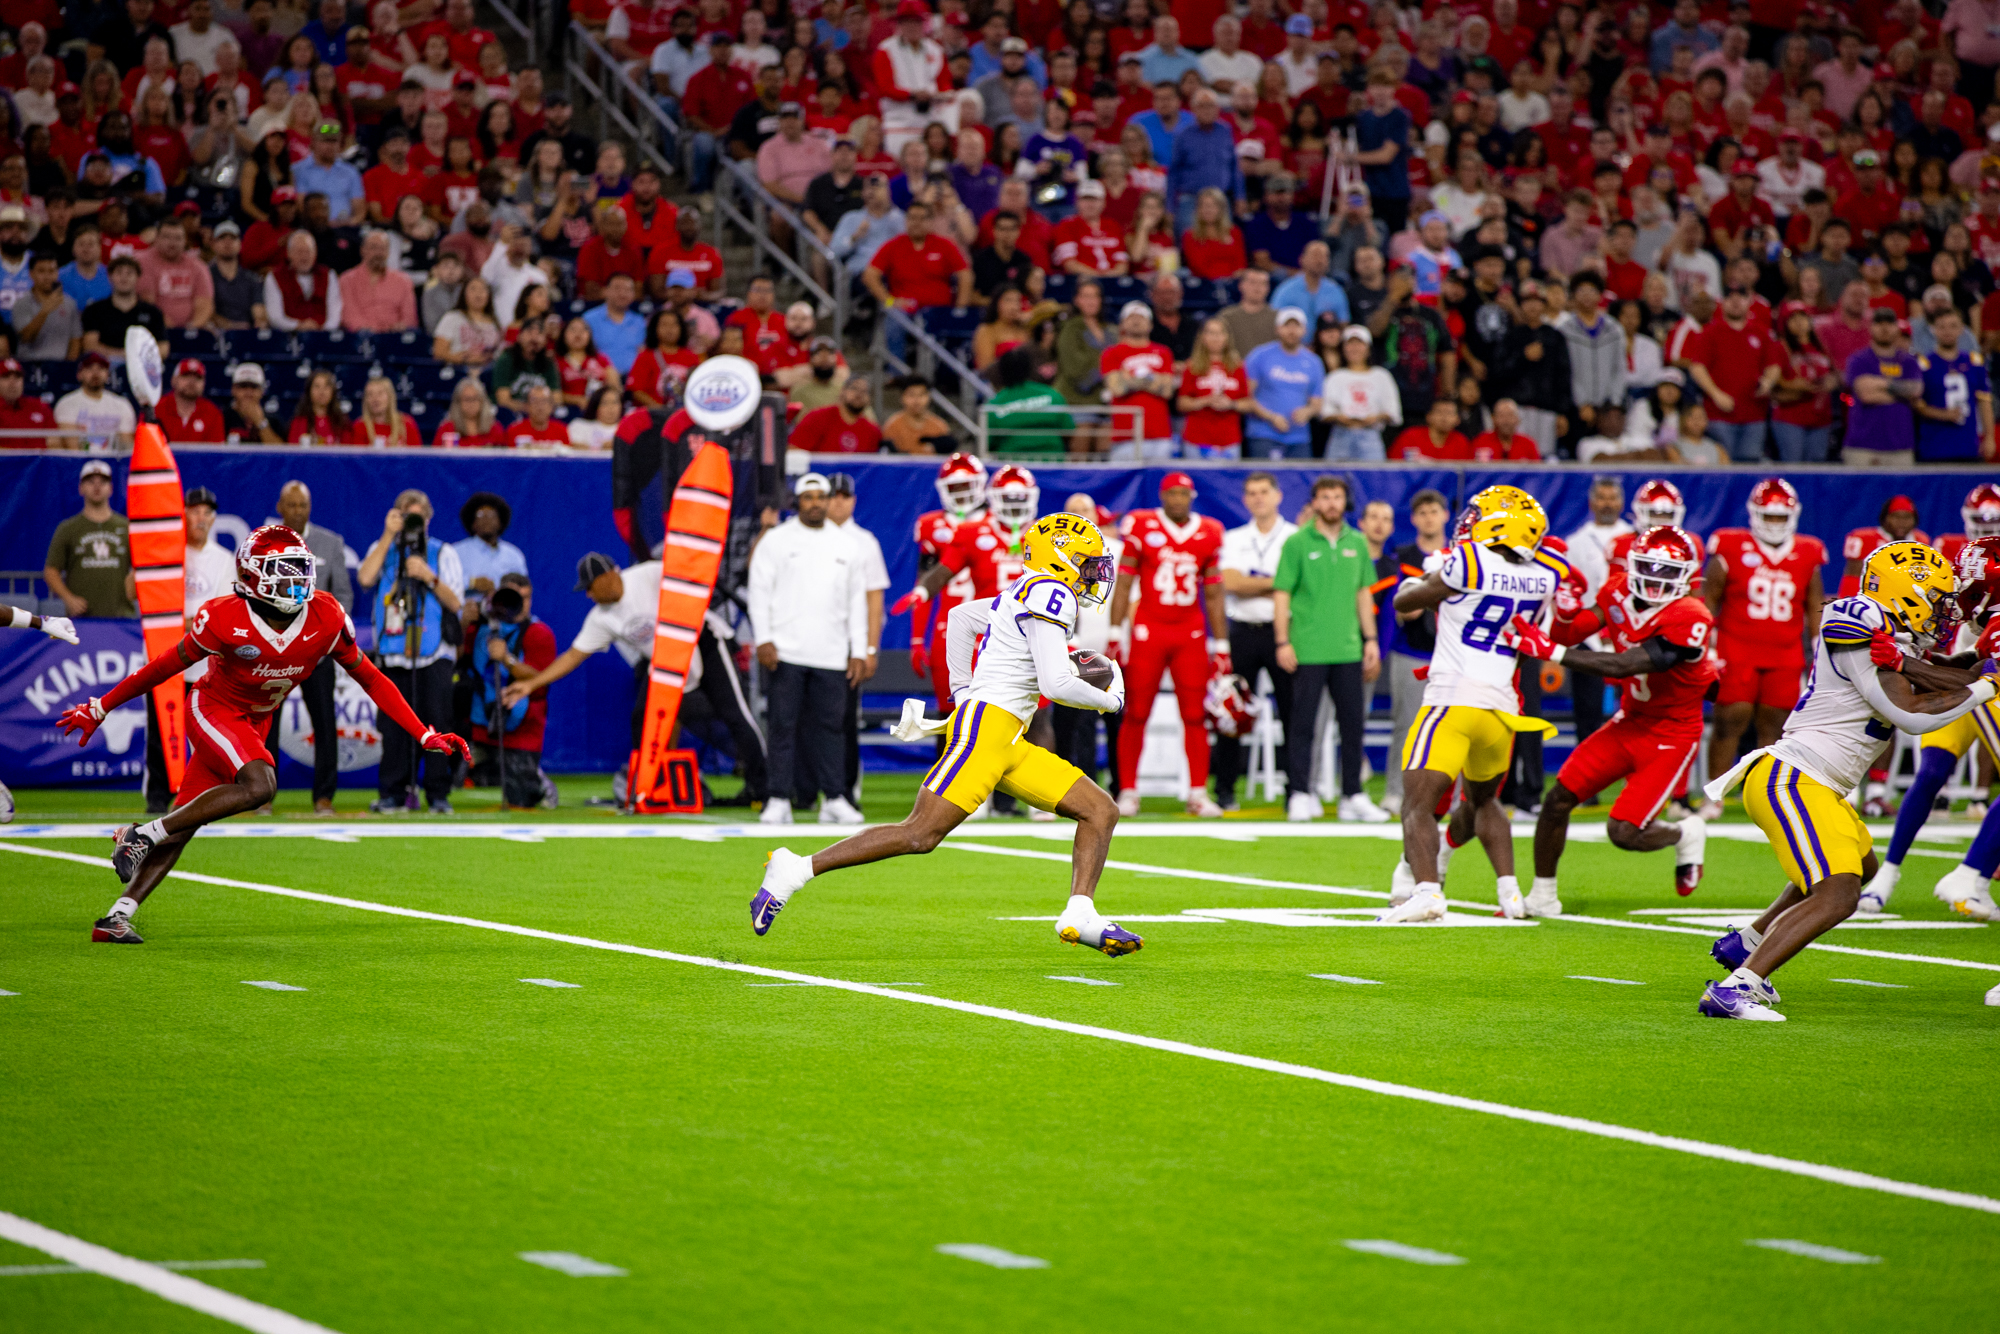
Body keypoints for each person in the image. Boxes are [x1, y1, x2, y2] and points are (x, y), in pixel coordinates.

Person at [750, 510, 1136, 958]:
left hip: (1009, 737)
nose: (1093, 575)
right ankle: (794, 868)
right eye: (1087, 564)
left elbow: (961, 617)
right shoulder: (1051, 593)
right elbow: (1056, 684)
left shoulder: (1029, 588)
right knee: (920, 834)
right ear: (1061, 559)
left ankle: (1080, 912)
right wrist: (1111, 701)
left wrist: (962, 691)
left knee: (1099, 811)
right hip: (988, 731)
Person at [60, 524, 468, 942]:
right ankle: (142, 834)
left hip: (254, 721)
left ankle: (116, 916)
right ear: (253, 575)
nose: (297, 579)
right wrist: (102, 706)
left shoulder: (326, 616)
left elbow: (372, 679)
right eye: (284, 569)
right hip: (213, 709)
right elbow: (164, 666)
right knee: (261, 785)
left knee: (182, 823)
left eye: (301, 568)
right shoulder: (224, 616)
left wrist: (423, 734)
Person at [1696, 543, 1997, 1020]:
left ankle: (1748, 943)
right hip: (1795, 777)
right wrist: (1987, 684)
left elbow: (1937, 673)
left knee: (1863, 866)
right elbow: (1910, 713)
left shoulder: (1894, 637)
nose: (1945, 610)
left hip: (1818, 783)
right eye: (1937, 599)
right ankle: (1736, 990)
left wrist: (1976, 666)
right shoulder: (1857, 616)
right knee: (1838, 893)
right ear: (1907, 592)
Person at [1508, 524, 1718, 916]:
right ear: (1633, 565)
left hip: (1672, 732)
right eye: (1649, 567)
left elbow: (1624, 665)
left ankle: (1685, 832)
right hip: (1630, 720)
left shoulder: (1691, 616)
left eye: (1668, 571)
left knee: (1624, 832)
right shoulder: (1618, 590)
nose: (1656, 579)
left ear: (1688, 577)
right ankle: (1543, 894)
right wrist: (1564, 612)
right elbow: (1571, 633)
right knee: (1557, 799)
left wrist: (1551, 651)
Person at [1379, 487, 1565, 920]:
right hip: (1501, 710)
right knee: (1484, 801)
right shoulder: (1546, 575)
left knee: (1416, 806)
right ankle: (1510, 893)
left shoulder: (1467, 561)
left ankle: (1427, 891)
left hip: (1452, 702)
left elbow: (1406, 602)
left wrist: (1421, 579)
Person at [746, 472, 870, 826]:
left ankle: (834, 798)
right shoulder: (776, 541)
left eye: (821, 497)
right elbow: (759, 592)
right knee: (782, 727)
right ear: (797, 502)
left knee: (832, 729)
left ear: (828, 501)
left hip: (833, 654)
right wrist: (763, 639)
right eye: (808, 497)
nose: (815, 503)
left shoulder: (848, 545)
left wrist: (859, 650)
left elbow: (857, 602)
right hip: (785, 652)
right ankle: (778, 799)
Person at [1702, 478, 1826, 818]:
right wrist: (1706, 644)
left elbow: (1813, 605)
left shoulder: (1808, 551)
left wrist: (1819, 647)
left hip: (1785, 652)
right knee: (1730, 720)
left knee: (1776, 727)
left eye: (1779, 517)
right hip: (1736, 648)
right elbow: (1710, 599)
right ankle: (1714, 795)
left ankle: (1765, 796)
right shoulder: (1729, 545)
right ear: (1754, 514)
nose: (1773, 523)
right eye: (1768, 516)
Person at [1106, 472, 1227, 817]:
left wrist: (1222, 644)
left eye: (1183, 494)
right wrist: (1115, 631)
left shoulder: (1209, 531)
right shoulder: (1142, 526)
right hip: (1149, 628)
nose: (1177, 499)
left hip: (1190, 631)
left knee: (1195, 714)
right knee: (1136, 712)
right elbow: (1124, 582)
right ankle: (1129, 790)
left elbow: (1214, 593)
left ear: (1192, 497)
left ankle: (1198, 792)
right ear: (1162, 496)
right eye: (1171, 493)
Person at [1272, 474, 1386, 826]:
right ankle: (1300, 793)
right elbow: (1282, 593)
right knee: (1303, 725)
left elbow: (1363, 593)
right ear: (1315, 502)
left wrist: (1370, 639)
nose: (1332, 503)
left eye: (1337, 497)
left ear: (1345, 502)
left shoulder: (1358, 542)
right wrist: (1282, 641)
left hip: (1349, 648)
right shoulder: (1297, 542)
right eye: (1325, 497)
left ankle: (1352, 794)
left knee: (1353, 725)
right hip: (1307, 647)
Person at [356, 489, 466, 814]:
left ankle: (438, 793)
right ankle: (392, 792)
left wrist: (428, 576)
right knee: (393, 726)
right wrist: (387, 535)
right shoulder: (383, 548)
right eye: (406, 517)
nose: (412, 524)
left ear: (429, 519)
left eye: (417, 517)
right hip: (392, 651)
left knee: (437, 722)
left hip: (433, 653)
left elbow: (456, 602)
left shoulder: (443, 552)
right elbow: (365, 578)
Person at [1214, 472, 1297, 811]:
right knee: (1232, 710)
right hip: (1243, 630)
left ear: (1278, 496)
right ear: (1244, 499)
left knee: (1293, 712)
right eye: (1251, 493)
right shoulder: (1234, 538)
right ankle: (1225, 789)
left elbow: (1297, 587)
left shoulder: (1295, 537)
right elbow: (1231, 583)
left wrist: (1256, 582)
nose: (1258, 497)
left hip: (1284, 632)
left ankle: (1296, 790)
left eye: (1264, 491)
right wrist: (1278, 583)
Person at [273, 481, 351, 814]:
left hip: (317, 651)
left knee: (325, 723)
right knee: (266, 724)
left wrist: (327, 632)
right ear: (280, 508)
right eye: (291, 505)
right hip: (275, 650)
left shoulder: (330, 543)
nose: (297, 511)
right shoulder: (265, 542)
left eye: (302, 505)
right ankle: (262, 794)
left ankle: (324, 797)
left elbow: (343, 594)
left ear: (310, 508)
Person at [45, 460, 135, 619]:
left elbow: (140, 567)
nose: (97, 486)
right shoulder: (68, 528)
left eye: (102, 482)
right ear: (81, 488)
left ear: (111, 488)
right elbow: (51, 571)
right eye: (91, 481)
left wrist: (134, 589)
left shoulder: (126, 527)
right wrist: (68, 599)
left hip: (121, 617)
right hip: (82, 619)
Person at [1098, 300, 1177, 459]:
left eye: (1141, 317)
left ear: (1150, 324)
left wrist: (1130, 379)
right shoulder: (1111, 353)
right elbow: (1117, 388)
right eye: (1131, 317)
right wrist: (1153, 379)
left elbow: (1167, 390)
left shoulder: (1163, 352)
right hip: (1125, 437)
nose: (1136, 321)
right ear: (1122, 324)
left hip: (1159, 436)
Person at [1917, 306, 1995, 463]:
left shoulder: (1974, 362)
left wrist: (1990, 437)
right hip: (1933, 446)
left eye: (1953, 326)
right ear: (1933, 330)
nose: (1947, 331)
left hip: (1967, 445)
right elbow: (1917, 405)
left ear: (1962, 329)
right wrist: (1943, 414)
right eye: (1942, 327)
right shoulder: (1924, 365)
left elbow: (1984, 402)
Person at [1242, 306, 1322, 459]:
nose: (1292, 331)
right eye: (1287, 326)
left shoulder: (1314, 362)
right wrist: (1271, 417)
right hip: (1263, 435)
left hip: (1299, 438)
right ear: (1277, 329)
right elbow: (1246, 396)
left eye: (1296, 326)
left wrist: (1307, 411)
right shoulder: (1259, 356)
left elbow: (1317, 402)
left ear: (1304, 330)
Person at [1320, 324, 1400, 462]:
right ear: (1343, 348)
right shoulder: (1335, 377)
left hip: (1371, 435)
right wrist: (1340, 417)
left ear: (1368, 348)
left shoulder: (1381, 376)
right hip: (1341, 435)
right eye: (1350, 344)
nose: (1354, 348)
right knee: (1335, 474)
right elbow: (1324, 411)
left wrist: (1376, 417)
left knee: (1373, 474)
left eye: (1359, 344)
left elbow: (1393, 412)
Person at [1174, 318, 1251, 460]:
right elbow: (1181, 403)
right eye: (1211, 333)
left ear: (1227, 337)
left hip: (1229, 439)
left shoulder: (1238, 367)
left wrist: (1231, 404)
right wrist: (1204, 401)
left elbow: (1248, 403)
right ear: (1202, 337)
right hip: (1197, 439)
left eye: (1220, 333)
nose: (1215, 338)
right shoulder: (1191, 366)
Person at [451, 491, 527, 604]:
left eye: (492, 515)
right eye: (481, 515)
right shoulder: (455, 552)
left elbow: (525, 590)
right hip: (467, 612)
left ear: (500, 522)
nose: (487, 519)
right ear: (473, 523)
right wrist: (471, 583)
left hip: (505, 613)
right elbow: (443, 583)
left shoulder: (514, 555)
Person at [54, 352, 138, 452]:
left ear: (107, 375)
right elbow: (73, 448)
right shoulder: (67, 404)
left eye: (101, 368)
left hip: (113, 459)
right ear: (79, 374)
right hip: (81, 459)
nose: (95, 373)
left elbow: (127, 445)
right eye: (89, 368)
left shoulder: (122, 404)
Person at [263, 232, 344, 331]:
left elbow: (335, 314)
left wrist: (322, 329)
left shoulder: (329, 275)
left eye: (308, 252)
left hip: (323, 334)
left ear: (315, 253)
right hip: (288, 335)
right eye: (299, 252)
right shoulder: (274, 277)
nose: (304, 257)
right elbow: (275, 316)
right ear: (289, 253)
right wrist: (298, 326)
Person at [791, 376, 882, 454]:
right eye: (854, 388)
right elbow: (793, 452)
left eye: (865, 391)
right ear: (842, 391)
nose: (859, 394)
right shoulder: (816, 418)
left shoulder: (873, 432)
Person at [157, 359, 225, 443]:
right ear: (174, 380)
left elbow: (215, 449)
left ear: (204, 384)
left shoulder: (213, 414)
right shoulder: (157, 409)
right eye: (186, 376)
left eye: (198, 378)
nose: (192, 382)